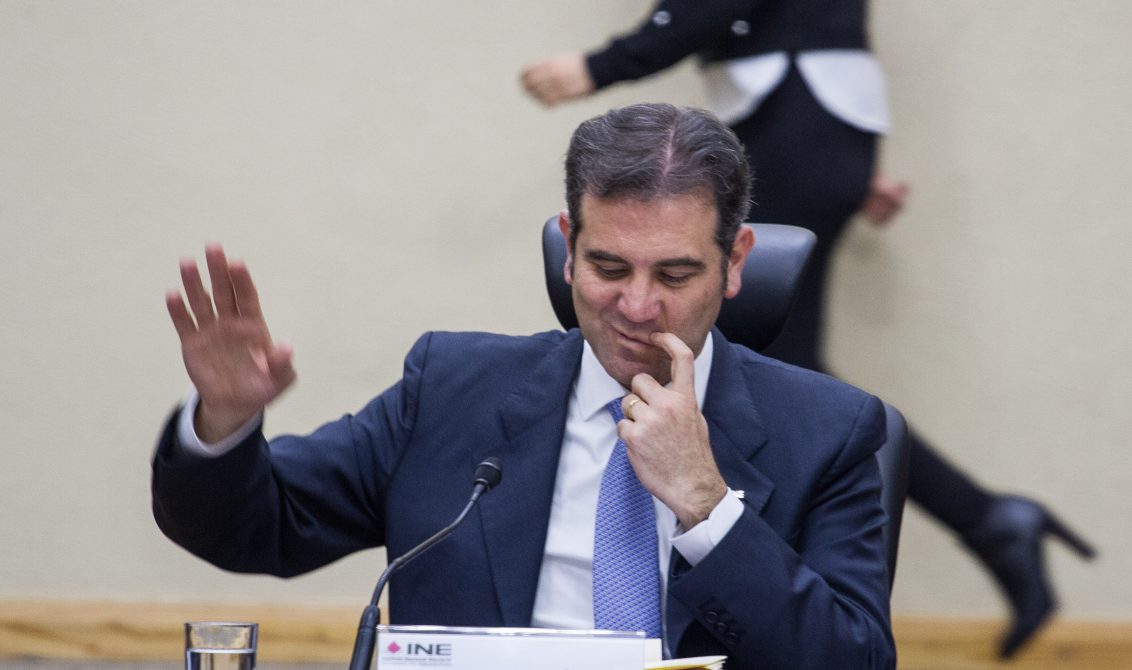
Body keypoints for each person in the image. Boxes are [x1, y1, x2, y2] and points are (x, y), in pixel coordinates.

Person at [152, 103, 895, 669]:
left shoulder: (828, 431)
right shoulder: (450, 387)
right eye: (608, 268)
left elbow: (852, 659)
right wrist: (223, 419)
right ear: (568, 250)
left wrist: (705, 506)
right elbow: (253, 525)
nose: (637, 306)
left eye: (674, 274)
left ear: (734, 261)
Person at [520, 0, 1095, 659]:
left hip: (796, 111)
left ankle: (982, 522)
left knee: (775, 380)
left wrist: (602, 66)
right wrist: (834, 155)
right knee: (786, 371)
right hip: (802, 119)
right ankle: (989, 519)